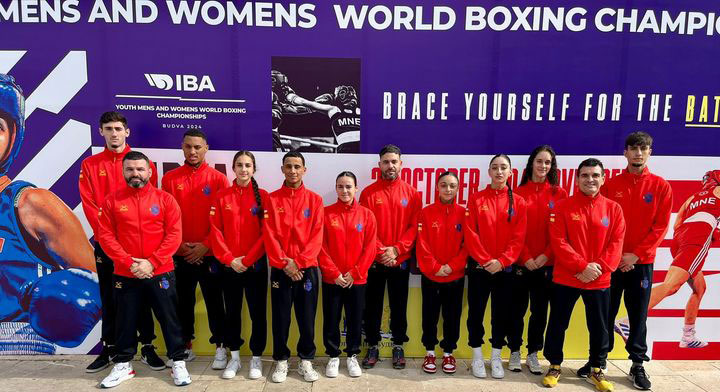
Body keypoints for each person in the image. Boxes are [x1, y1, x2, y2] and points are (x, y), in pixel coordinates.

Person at [0, 73, 100, 356]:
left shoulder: (30, 203)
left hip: (12, 341)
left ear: (13, 137)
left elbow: (96, 283)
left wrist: (62, 301)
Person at [96, 151, 190, 388]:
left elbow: (174, 236)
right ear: (123, 171)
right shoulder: (112, 201)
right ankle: (123, 364)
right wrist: (130, 263)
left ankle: (178, 362)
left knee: (169, 319)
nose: (135, 174)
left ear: (150, 172)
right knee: (125, 321)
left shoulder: (165, 200)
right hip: (126, 273)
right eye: (130, 169)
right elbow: (106, 237)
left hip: (160, 271)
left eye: (140, 169)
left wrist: (151, 262)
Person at [79, 110, 161, 371]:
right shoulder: (90, 165)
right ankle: (110, 347)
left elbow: (151, 201)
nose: (114, 134)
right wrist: (109, 239)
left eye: (118, 129)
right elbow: (90, 205)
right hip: (107, 244)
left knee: (144, 295)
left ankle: (147, 345)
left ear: (127, 132)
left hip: (140, 246)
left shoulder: (142, 163)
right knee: (110, 295)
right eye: (108, 129)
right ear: (100, 132)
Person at [543, 158, 625, 392]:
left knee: (599, 327)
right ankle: (555, 365)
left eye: (595, 175)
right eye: (585, 175)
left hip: (599, 279)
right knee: (558, 323)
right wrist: (581, 266)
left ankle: (597, 369)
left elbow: (616, 243)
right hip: (566, 277)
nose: (590, 179)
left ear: (603, 178)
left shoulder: (613, 209)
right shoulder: (563, 206)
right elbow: (558, 241)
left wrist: (596, 268)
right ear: (577, 179)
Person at [600, 132, 672, 390]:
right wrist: (618, 255)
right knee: (605, 312)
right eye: (633, 148)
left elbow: (661, 226)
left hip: (641, 263)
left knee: (638, 315)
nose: (638, 153)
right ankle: (600, 360)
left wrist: (636, 255)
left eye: (644, 148)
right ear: (625, 152)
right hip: (612, 261)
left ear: (650, 152)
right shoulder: (611, 185)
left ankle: (637, 364)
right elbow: (604, 223)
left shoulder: (661, 186)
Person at [161, 130, 229, 368]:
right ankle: (184, 347)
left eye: (197, 147)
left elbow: (223, 220)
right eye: (189, 146)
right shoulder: (169, 178)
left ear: (206, 148)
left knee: (214, 302)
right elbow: (166, 220)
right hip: (180, 254)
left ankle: (220, 347)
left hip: (208, 254)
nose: (193, 151)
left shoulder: (219, 179)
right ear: (182, 147)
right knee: (182, 303)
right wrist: (179, 247)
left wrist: (205, 246)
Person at [464, 154, 527, 379]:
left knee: (501, 314)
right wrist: (484, 260)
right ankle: (477, 355)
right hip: (479, 269)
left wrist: (502, 261)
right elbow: (471, 234)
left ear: (510, 173)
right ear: (488, 172)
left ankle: (496, 355)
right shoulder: (476, 199)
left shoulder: (518, 202)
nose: (499, 172)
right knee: (476, 314)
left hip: (505, 269)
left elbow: (518, 238)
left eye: (503, 168)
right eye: (495, 168)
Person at [359, 144, 422, 369]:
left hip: (400, 260)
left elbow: (414, 227)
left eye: (394, 161)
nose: (390, 166)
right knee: (373, 306)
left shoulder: (413, 194)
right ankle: (373, 346)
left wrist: (396, 249)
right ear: (379, 165)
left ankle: (398, 346)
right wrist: (380, 251)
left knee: (399, 305)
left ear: (401, 164)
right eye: (386, 162)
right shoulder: (368, 193)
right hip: (374, 261)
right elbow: (365, 228)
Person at [263, 151, 324, 383]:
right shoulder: (272, 199)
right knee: (280, 318)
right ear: (282, 169)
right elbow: (269, 234)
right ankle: (281, 360)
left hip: (306, 268)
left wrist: (298, 262)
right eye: (288, 166)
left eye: (297, 166)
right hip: (281, 268)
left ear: (304, 170)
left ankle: (306, 360)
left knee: (306, 318)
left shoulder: (315, 200)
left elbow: (317, 235)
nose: (293, 171)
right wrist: (284, 262)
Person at [208, 151, 269, 380]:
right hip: (229, 267)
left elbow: (266, 234)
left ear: (254, 169)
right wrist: (230, 259)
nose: (244, 169)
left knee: (257, 314)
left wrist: (247, 260)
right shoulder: (221, 196)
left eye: (248, 165)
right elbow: (215, 231)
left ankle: (256, 358)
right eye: (240, 165)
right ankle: (234, 358)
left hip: (255, 267)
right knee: (232, 313)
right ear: (233, 168)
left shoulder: (263, 197)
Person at [510, 145, 568, 375]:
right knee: (516, 310)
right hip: (521, 263)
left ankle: (533, 352)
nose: (543, 166)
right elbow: (513, 231)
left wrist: (545, 256)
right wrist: (525, 257)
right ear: (531, 163)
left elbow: (561, 233)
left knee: (540, 312)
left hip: (547, 264)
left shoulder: (560, 194)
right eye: (540, 161)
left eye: (548, 162)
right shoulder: (517, 193)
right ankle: (514, 350)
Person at [647, 170, 720, 350]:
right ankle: (631, 321)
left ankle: (688, 335)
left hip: (679, 240)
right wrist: (710, 231)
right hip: (696, 239)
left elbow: (677, 223)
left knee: (700, 287)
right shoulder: (718, 191)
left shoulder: (693, 198)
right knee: (671, 286)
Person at [319, 171, 377, 378]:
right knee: (332, 318)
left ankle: (352, 355)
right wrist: (334, 273)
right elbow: (321, 247)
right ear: (336, 188)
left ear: (356, 188)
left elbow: (370, 248)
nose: (345, 190)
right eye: (341, 186)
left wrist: (355, 273)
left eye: (348, 186)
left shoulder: (367, 215)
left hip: (357, 279)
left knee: (355, 319)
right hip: (332, 279)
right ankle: (333, 356)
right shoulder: (325, 213)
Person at [416, 171, 467, 375]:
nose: (448, 189)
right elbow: (422, 244)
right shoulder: (425, 213)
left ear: (457, 189)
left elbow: (467, 245)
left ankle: (447, 353)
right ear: (437, 187)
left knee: (452, 316)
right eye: (444, 185)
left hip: (455, 277)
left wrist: (452, 267)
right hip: (431, 275)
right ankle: (429, 351)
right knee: (429, 315)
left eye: (452, 185)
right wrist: (436, 267)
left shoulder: (465, 214)